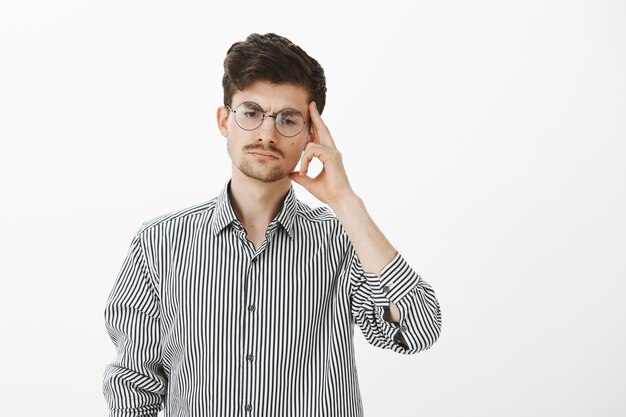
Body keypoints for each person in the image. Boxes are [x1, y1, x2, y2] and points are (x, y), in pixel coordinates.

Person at [103, 32, 442, 417]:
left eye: (288, 119)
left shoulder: (344, 241)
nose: (267, 133)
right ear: (224, 120)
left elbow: (418, 329)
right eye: (251, 112)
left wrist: (346, 202)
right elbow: (133, 385)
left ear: (311, 133)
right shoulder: (159, 244)